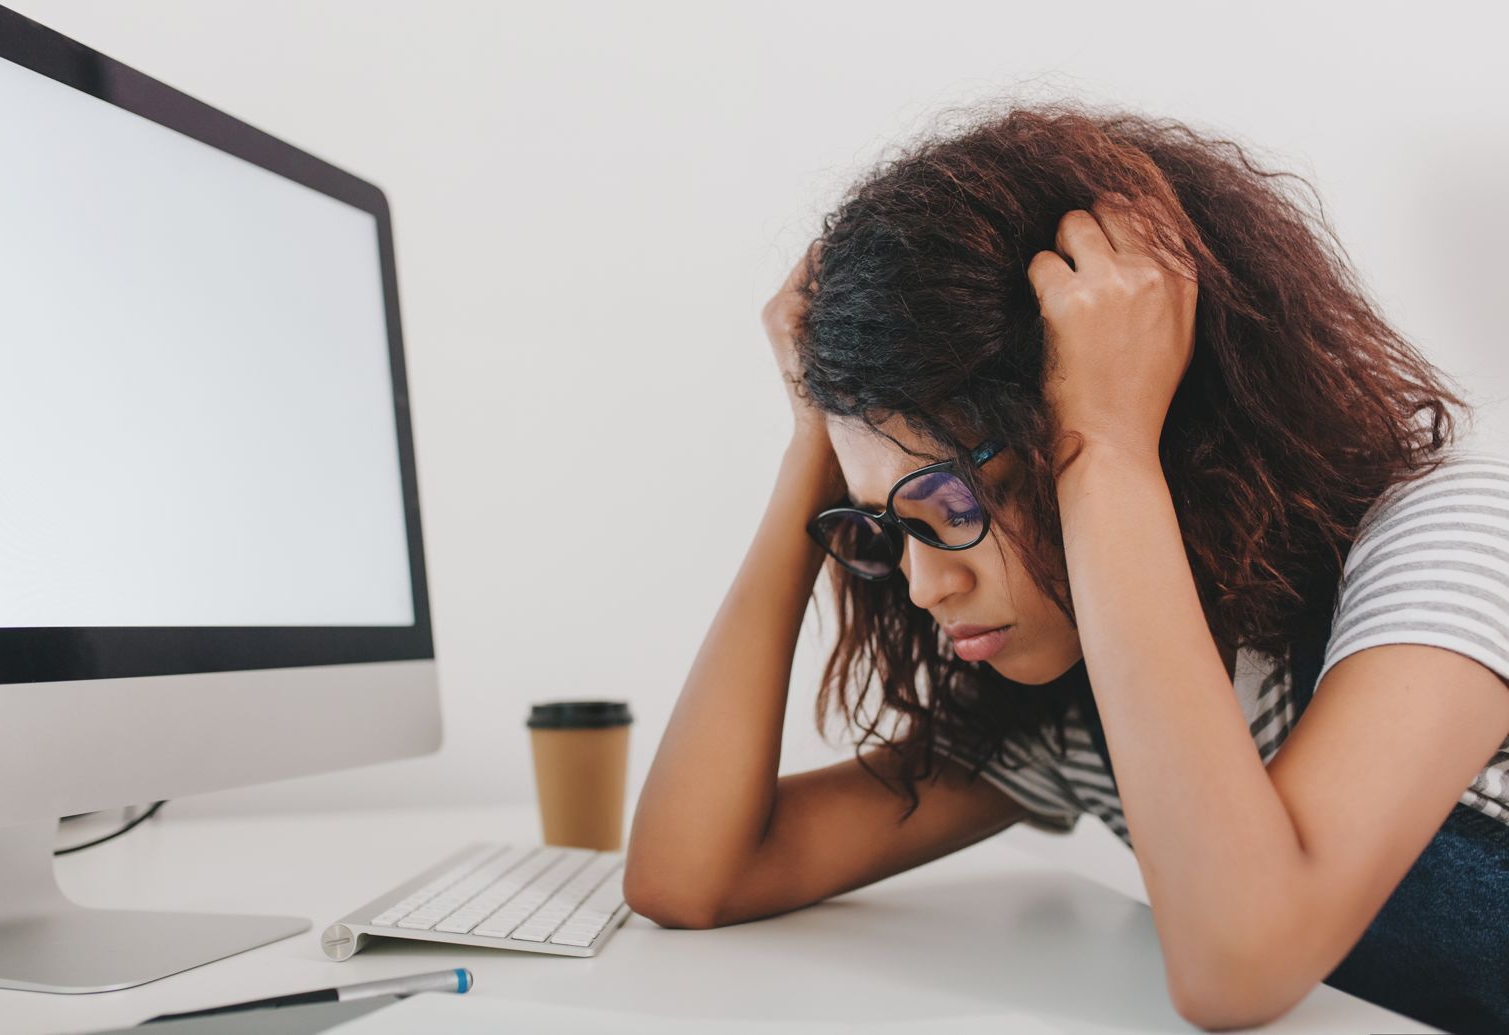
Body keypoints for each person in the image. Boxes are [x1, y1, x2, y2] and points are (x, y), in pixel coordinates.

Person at [622, 102, 1509, 1034]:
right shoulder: (1071, 708)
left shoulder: (1459, 533)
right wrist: (820, 423)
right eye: (894, 527)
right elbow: (690, 875)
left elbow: (1239, 962)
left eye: (957, 505)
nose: (925, 587)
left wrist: (1112, 444)